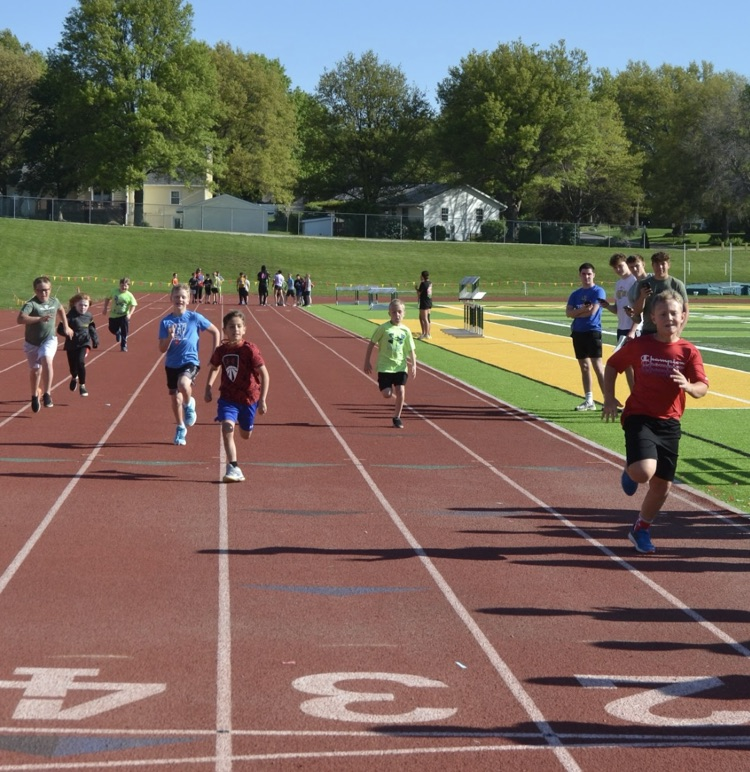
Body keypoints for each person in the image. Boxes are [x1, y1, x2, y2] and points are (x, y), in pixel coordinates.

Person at [602, 290, 709, 554]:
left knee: (662, 486)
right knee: (644, 472)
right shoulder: (640, 345)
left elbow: (702, 387)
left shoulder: (688, 351)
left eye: (674, 313)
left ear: (683, 316)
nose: (669, 318)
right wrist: (608, 398)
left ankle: (641, 528)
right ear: (653, 317)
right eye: (663, 314)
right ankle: (631, 469)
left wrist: (689, 386)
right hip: (640, 417)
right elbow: (613, 365)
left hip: (669, 423)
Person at [204, 310, 269, 483]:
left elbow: (264, 374)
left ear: (244, 329)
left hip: (249, 398)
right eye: (231, 327)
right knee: (227, 428)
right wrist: (208, 388)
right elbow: (215, 367)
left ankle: (246, 426)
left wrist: (262, 399)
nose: (236, 330)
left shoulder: (250, 350)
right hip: (228, 397)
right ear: (225, 330)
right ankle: (233, 466)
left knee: (245, 434)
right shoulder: (221, 350)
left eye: (239, 326)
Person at [158, 283, 221, 446]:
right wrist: (169, 337)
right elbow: (162, 349)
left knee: (184, 384)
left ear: (188, 299)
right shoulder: (165, 322)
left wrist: (215, 353)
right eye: (177, 296)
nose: (180, 299)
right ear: (171, 298)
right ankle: (180, 427)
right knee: (175, 399)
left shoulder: (194, 317)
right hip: (171, 364)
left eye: (183, 297)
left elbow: (215, 331)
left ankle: (189, 403)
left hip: (190, 361)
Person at [17, 276, 72, 411]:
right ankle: (35, 395)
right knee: (35, 371)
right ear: (35, 291)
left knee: (47, 360)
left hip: (49, 339)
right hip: (31, 343)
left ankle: (47, 393)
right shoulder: (31, 304)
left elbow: (60, 309)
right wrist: (39, 319)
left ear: (50, 289)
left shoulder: (54, 301)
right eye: (40, 291)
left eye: (46, 290)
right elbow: (20, 319)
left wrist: (66, 326)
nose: (44, 293)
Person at [363, 298, 417, 429]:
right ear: (389, 313)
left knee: (400, 390)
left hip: (400, 366)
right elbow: (371, 343)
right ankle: (385, 387)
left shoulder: (406, 331)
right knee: (387, 394)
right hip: (385, 367)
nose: (397, 315)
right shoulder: (383, 328)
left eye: (399, 312)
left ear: (404, 313)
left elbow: (411, 349)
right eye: (394, 312)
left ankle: (397, 417)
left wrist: (414, 364)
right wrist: (367, 361)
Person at [565, 262, 606, 411]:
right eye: (584, 274)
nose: (586, 276)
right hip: (578, 332)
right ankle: (589, 400)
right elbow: (568, 313)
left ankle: (607, 399)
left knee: (597, 366)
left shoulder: (598, 291)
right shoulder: (575, 294)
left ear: (593, 275)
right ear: (579, 275)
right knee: (584, 366)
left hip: (592, 330)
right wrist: (582, 309)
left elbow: (592, 312)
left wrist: (579, 311)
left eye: (589, 274)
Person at [630, 251, 689, 336]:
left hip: (670, 331)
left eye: (663, 264)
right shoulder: (643, 284)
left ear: (668, 265)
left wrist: (678, 331)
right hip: (649, 330)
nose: (660, 267)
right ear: (652, 266)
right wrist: (642, 297)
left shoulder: (676, 284)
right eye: (656, 264)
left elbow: (685, 311)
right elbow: (637, 311)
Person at [602, 253, 637, 388]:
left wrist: (633, 330)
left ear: (626, 264)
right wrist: (607, 306)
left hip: (633, 328)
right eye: (615, 267)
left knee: (635, 366)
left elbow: (640, 308)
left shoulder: (634, 280)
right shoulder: (618, 284)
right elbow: (617, 309)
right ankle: (633, 397)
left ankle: (639, 399)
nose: (618, 269)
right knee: (627, 366)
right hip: (621, 328)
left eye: (621, 266)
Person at [60, 292, 98, 397]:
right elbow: (60, 329)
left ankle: (82, 385)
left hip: (84, 343)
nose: (83, 307)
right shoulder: (69, 317)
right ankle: (74, 377)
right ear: (75, 304)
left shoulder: (89, 315)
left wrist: (95, 338)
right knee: (73, 367)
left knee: (80, 362)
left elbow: (91, 327)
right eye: (80, 305)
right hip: (71, 344)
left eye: (85, 305)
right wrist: (67, 331)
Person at [103, 277, 137, 352]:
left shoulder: (129, 295)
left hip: (124, 315)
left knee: (125, 331)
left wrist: (130, 314)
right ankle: (117, 333)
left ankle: (123, 346)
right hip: (113, 315)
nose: (123, 287)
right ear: (119, 285)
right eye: (122, 285)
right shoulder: (114, 291)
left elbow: (133, 305)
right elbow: (107, 298)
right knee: (111, 328)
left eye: (125, 286)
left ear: (128, 286)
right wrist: (105, 308)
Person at [415, 270, 433, 339]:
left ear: (422, 276)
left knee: (424, 318)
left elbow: (419, 293)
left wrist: (416, 289)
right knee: (427, 318)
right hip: (429, 301)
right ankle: (427, 333)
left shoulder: (423, 283)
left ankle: (425, 333)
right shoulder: (430, 283)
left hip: (424, 302)